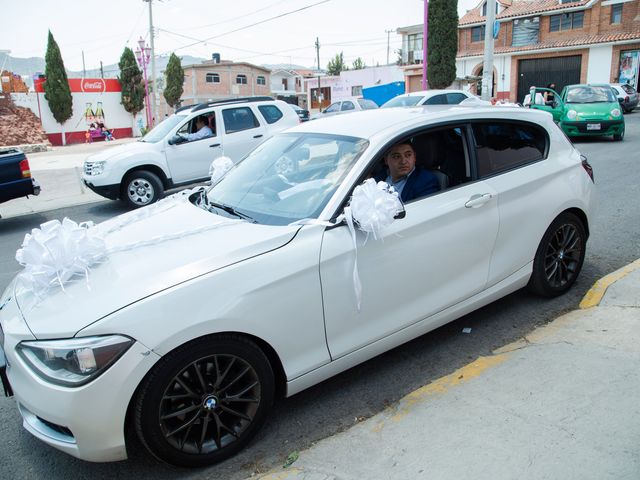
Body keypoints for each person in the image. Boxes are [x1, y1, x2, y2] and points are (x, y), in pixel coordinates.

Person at [375, 142, 440, 203]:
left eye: (408, 155)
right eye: (397, 156)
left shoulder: (426, 181)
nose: (403, 161)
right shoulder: (379, 176)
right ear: (386, 160)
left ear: (414, 157)